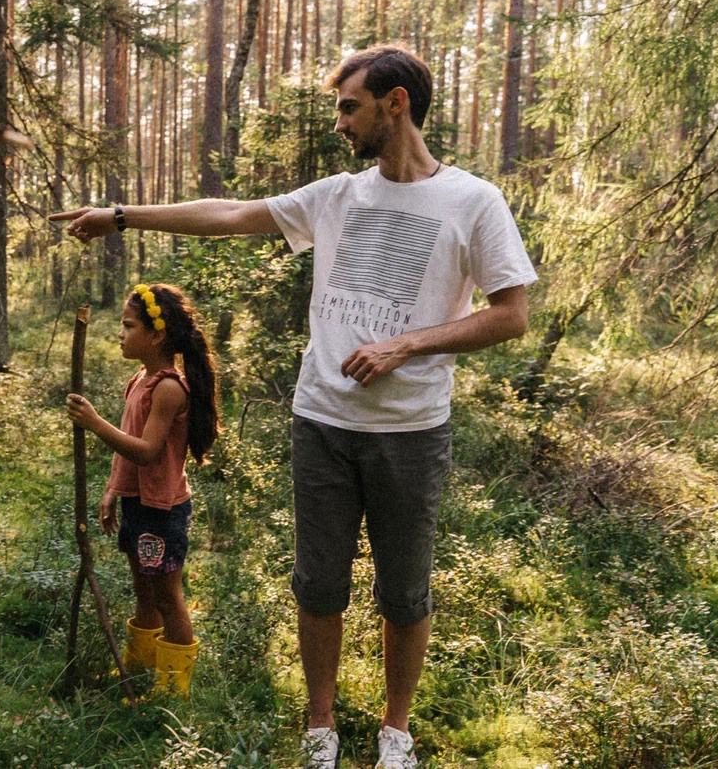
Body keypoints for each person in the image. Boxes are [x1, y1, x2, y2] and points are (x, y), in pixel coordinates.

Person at [51, 44, 536, 768]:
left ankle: (394, 732)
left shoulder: (472, 201)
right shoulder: (336, 196)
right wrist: (123, 214)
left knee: (404, 592)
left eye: (349, 106)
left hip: (410, 433)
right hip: (321, 426)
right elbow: (229, 213)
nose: (339, 122)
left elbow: (511, 313)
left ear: (394, 103)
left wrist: (408, 345)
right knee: (318, 583)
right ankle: (321, 727)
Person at [65, 283, 220, 699]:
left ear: (156, 336)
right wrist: (113, 490)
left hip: (161, 510)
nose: (120, 333)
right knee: (143, 588)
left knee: (166, 594)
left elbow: (149, 452)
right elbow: (129, 447)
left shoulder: (167, 388)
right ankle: (139, 667)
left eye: (128, 325)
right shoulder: (140, 379)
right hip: (138, 505)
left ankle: (173, 688)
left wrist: (95, 424)